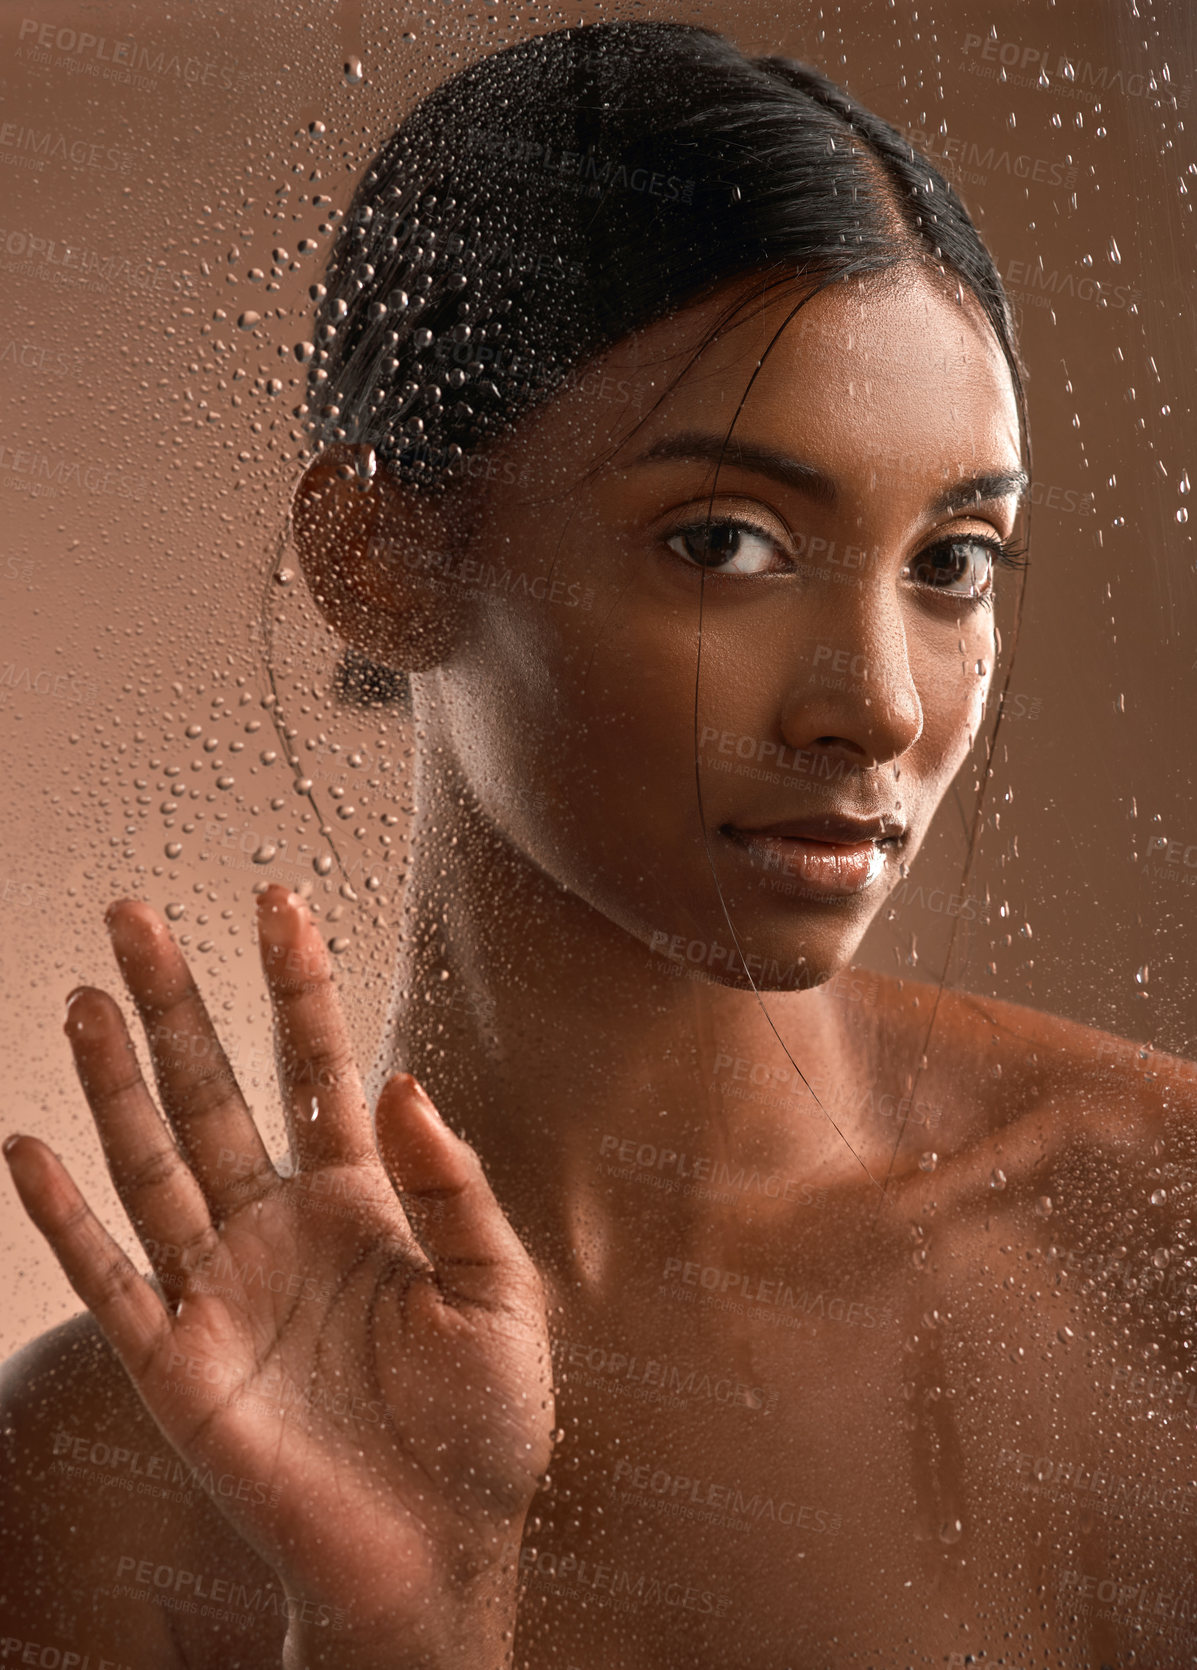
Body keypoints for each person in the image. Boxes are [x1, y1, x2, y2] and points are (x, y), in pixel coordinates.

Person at [2, 18, 1194, 1670]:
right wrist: (398, 1627)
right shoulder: (106, 1469)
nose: (876, 708)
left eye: (950, 561)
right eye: (727, 540)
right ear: (381, 556)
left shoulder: (1153, 1256)